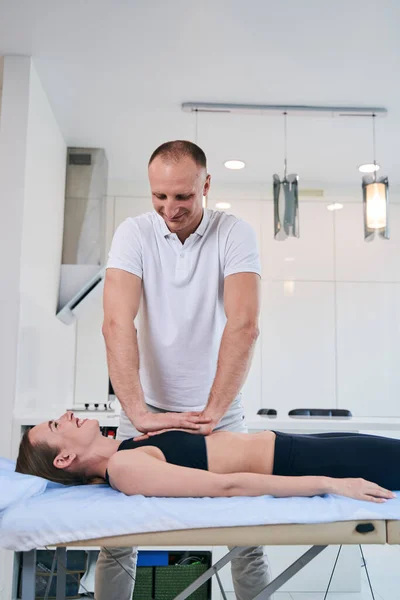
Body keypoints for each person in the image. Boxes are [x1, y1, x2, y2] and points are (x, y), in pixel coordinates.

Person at [97, 139, 271, 600]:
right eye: (159, 196)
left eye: (182, 197)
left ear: (206, 185)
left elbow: (244, 324)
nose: (169, 209)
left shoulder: (234, 233)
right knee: (118, 539)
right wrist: (137, 413)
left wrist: (213, 411)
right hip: (145, 407)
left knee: (247, 538)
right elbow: (117, 322)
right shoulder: (133, 234)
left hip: (219, 412)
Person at [16, 410, 398, 504]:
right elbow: (227, 485)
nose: (66, 415)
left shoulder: (128, 447)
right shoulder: (124, 467)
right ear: (64, 459)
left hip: (298, 447)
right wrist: (330, 483)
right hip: (304, 464)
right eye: (55, 425)